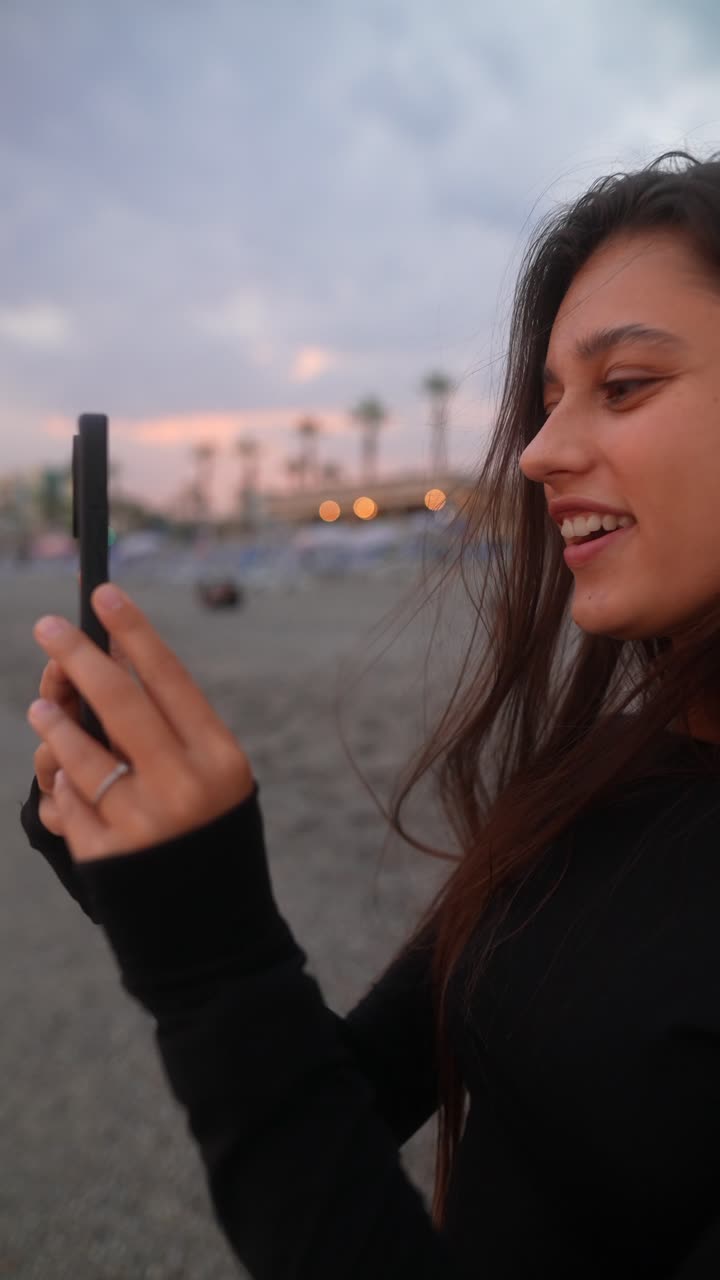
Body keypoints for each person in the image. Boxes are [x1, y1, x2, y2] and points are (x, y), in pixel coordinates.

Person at [19, 150, 720, 1278]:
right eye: (543, 404)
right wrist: (167, 887)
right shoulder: (614, 769)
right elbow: (348, 1089)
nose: (538, 453)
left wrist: (215, 967)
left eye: (624, 386)